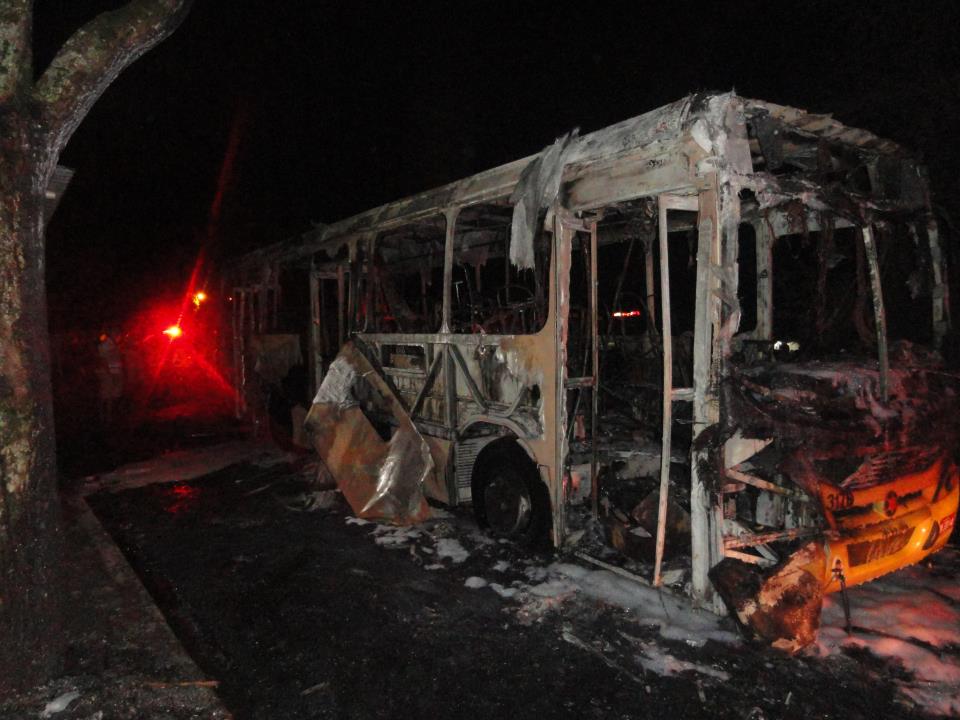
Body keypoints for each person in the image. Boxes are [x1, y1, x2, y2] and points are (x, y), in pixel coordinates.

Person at [96, 329, 124, 425]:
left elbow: (116, 359)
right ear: (113, 334)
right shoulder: (106, 344)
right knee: (106, 395)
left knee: (111, 396)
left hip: (114, 373)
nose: (119, 337)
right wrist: (109, 373)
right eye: (118, 334)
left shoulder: (114, 344)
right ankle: (104, 416)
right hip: (107, 374)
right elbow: (103, 359)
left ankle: (109, 416)